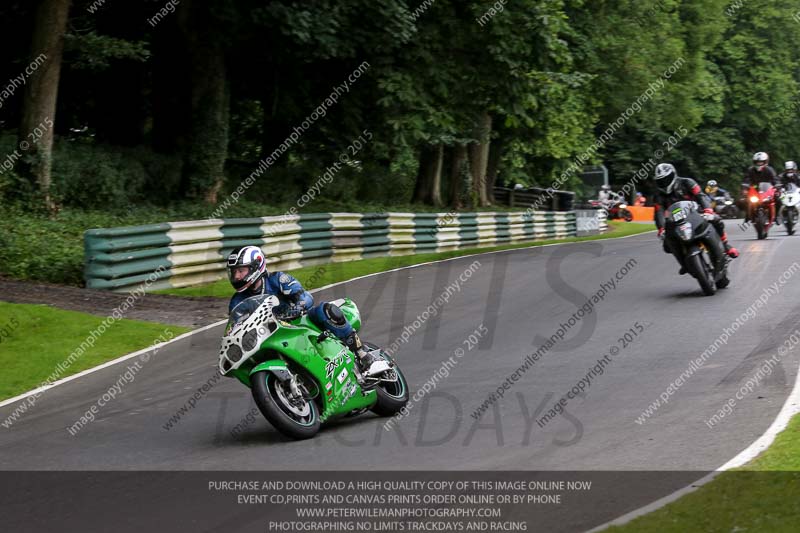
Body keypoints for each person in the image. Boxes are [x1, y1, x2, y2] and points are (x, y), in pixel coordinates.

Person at [226, 245, 384, 375]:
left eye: (241, 271)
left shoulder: (277, 280)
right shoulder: (237, 301)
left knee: (324, 310)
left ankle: (363, 354)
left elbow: (305, 297)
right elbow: (235, 327)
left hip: (299, 322)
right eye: (234, 273)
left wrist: (293, 310)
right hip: (269, 335)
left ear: (255, 266)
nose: (237, 277)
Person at [653, 163, 739, 275]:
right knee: (667, 244)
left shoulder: (687, 182)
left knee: (716, 220)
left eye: (666, 179)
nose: (664, 183)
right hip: (676, 222)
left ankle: (725, 245)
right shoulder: (658, 196)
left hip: (696, 213)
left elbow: (701, 195)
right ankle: (684, 262)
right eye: (661, 181)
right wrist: (661, 229)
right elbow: (658, 213)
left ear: (674, 175)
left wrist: (708, 210)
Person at [742, 152, 779, 224]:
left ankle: (776, 216)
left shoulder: (769, 169)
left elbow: (775, 179)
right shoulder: (750, 170)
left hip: (767, 189)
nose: (759, 164)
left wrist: (777, 186)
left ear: (765, 162)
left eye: (761, 162)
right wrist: (745, 188)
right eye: (757, 162)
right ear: (754, 162)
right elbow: (746, 179)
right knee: (744, 200)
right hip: (755, 189)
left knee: (778, 199)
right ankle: (747, 216)